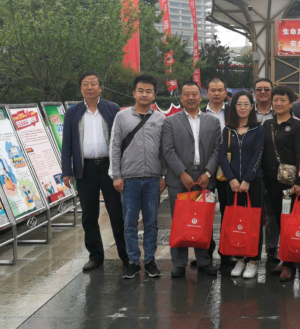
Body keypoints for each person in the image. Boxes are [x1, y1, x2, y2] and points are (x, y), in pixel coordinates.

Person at [61, 72, 128, 272]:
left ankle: (126, 255)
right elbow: (67, 144)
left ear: (100, 87)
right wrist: (67, 171)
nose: (89, 87)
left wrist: (122, 169)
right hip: (85, 168)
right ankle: (96, 256)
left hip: (109, 167)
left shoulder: (112, 109)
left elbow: (121, 139)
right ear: (80, 88)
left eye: (93, 84)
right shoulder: (72, 113)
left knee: (117, 212)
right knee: (89, 215)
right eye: (85, 84)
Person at [109, 74, 166, 279]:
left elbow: (164, 150)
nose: (144, 94)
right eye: (140, 90)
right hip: (129, 179)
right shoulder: (121, 117)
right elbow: (114, 147)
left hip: (152, 179)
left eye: (148, 91)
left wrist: (163, 176)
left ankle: (150, 260)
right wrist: (116, 175)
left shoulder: (160, 119)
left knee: (151, 222)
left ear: (154, 95)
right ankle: (133, 261)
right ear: (134, 93)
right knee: (130, 222)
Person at [162, 81, 222, 278]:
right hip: (179, 178)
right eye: (186, 94)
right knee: (179, 221)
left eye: (194, 94)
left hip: (204, 178)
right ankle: (179, 264)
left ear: (200, 96)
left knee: (203, 220)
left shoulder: (213, 121)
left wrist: (208, 173)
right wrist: (181, 173)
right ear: (181, 98)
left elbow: (217, 149)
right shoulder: (170, 122)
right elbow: (168, 150)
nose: (190, 98)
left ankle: (204, 261)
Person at [262, 86, 300, 282]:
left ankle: (289, 264)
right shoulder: (267, 124)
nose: (278, 103)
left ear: (291, 103)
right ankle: (284, 258)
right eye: (276, 100)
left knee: (289, 222)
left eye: (283, 100)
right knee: (279, 221)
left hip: (290, 183)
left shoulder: (297, 124)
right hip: (271, 181)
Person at [219, 92, 265, 279]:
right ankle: (239, 258)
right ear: (234, 107)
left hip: (253, 182)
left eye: (246, 104)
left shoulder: (258, 129)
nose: (243, 107)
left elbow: (258, 155)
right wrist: (231, 179)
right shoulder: (228, 130)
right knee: (235, 220)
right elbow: (222, 155)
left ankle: (253, 260)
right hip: (232, 184)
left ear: (252, 107)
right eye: (239, 104)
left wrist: (247, 180)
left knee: (254, 221)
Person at [202, 77, 232, 265]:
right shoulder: (199, 112)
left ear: (225, 92)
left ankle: (226, 251)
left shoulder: (233, 112)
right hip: (205, 170)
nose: (216, 93)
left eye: (220, 90)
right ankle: (205, 252)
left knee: (228, 211)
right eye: (213, 90)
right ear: (206, 92)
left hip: (227, 169)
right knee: (205, 211)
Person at [252, 78, 279, 263]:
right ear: (254, 92)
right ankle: (250, 247)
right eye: (259, 89)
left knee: (273, 212)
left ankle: (271, 248)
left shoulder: (279, 111)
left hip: (272, 170)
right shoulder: (246, 111)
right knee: (251, 213)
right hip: (250, 170)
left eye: (266, 89)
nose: (263, 92)